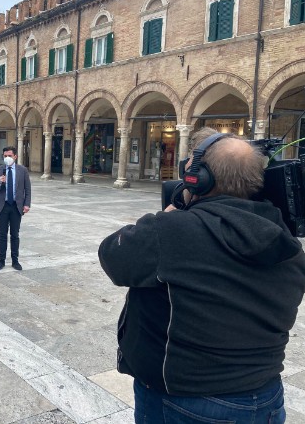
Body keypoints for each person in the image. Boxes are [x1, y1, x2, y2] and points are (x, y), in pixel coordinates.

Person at [98, 127, 305, 423]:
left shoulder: (172, 231)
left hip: (187, 400)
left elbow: (113, 256)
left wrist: (169, 214)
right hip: (266, 398)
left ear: (198, 177)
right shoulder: (286, 240)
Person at [0, 146, 31, 270]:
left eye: (10, 156)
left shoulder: (22, 170)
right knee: (2, 234)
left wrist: (27, 204)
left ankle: (15, 260)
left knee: (15, 234)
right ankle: (1, 260)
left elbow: (27, 189)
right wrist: (0, 182)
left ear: (15, 157)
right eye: (5, 156)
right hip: (3, 206)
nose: (7, 158)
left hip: (16, 206)